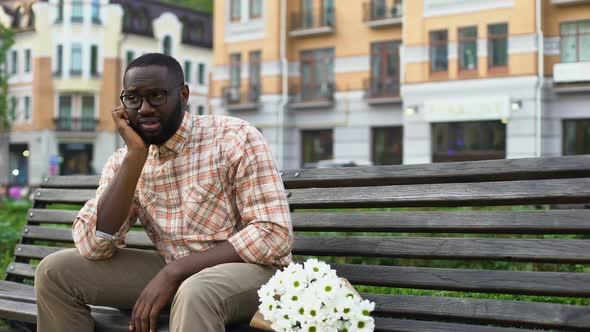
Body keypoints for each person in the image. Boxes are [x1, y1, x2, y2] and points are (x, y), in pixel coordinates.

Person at [35, 53, 293, 332]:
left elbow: (273, 233)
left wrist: (175, 272)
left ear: (183, 95)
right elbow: (93, 246)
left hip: (253, 272)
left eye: (156, 96)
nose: (144, 108)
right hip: (174, 270)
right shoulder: (126, 160)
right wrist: (135, 156)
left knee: (197, 290)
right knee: (55, 272)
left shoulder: (234, 137)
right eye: (133, 99)